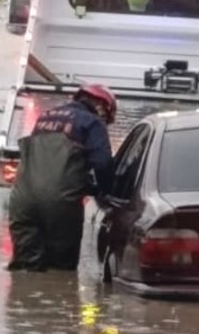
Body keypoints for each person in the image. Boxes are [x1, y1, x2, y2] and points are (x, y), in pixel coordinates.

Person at [7, 84, 118, 272]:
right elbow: (102, 165)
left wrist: (87, 185)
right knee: (61, 271)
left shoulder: (46, 116)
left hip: (22, 200)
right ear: (101, 106)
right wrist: (107, 193)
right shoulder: (91, 122)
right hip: (60, 204)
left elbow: (49, 163)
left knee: (25, 268)